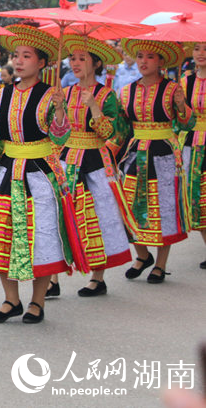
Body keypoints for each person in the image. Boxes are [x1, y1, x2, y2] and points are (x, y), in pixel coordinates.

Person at [0, 24, 73, 324]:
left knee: (40, 237)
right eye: (16, 55)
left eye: (26, 56)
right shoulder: (0, 97)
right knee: (0, 234)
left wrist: (59, 111)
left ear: (42, 63)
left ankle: (37, 302)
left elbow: (60, 139)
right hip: (6, 173)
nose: (18, 61)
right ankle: (11, 299)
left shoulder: (51, 96)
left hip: (40, 174)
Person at [55, 35, 135, 297]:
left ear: (97, 63)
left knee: (97, 216)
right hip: (66, 158)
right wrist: (57, 110)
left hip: (95, 161)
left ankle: (97, 277)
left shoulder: (107, 95)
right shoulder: (64, 93)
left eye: (82, 59)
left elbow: (111, 133)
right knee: (60, 214)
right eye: (72, 58)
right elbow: (57, 131)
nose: (75, 63)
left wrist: (94, 108)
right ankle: (53, 276)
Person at [114, 39, 193, 283]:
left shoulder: (172, 89)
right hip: (135, 153)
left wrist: (181, 104)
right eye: (139, 56)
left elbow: (186, 125)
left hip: (164, 154)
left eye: (150, 57)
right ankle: (142, 254)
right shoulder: (126, 90)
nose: (143, 61)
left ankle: (160, 264)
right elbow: (120, 127)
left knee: (163, 208)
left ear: (161, 61)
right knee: (126, 204)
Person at [182, 42, 206, 270]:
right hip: (192, 144)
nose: (200, 53)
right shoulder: (186, 81)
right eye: (197, 48)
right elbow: (181, 118)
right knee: (197, 198)